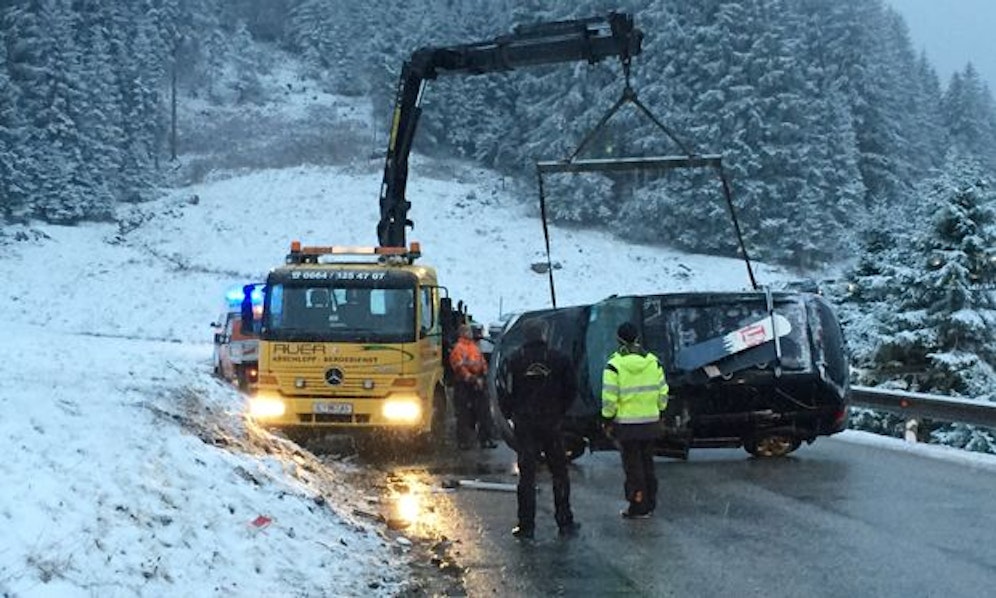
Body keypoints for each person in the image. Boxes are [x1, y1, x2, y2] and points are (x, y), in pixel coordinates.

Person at [500, 318, 579, 539]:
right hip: (552, 422)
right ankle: (565, 521)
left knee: (527, 475)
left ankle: (526, 525)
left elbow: (503, 390)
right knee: (559, 472)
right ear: (544, 334)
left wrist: (512, 413)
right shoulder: (559, 359)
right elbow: (572, 389)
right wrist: (560, 411)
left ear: (525, 335)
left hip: (525, 424)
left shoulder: (513, 360)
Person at [601, 321, 669, 519]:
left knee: (633, 466)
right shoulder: (653, 362)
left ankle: (638, 504)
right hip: (651, 423)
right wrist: (659, 410)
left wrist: (607, 419)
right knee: (647, 462)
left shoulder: (614, 365)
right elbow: (663, 392)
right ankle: (650, 501)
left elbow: (609, 398)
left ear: (618, 340)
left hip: (627, 425)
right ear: (638, 338)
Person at [448, 323, 493, 449]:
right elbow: (459, 367)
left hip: (477, 382)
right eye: (468, 331)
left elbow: (482, 361)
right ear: (462, 333)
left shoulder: (474, 347)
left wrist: (484, 375)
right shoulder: (458, 348)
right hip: (464, 385)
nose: (471, 333)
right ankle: (464, 442)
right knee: (464, 414)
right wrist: (472, 379)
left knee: (483, 412)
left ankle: (485, 439)